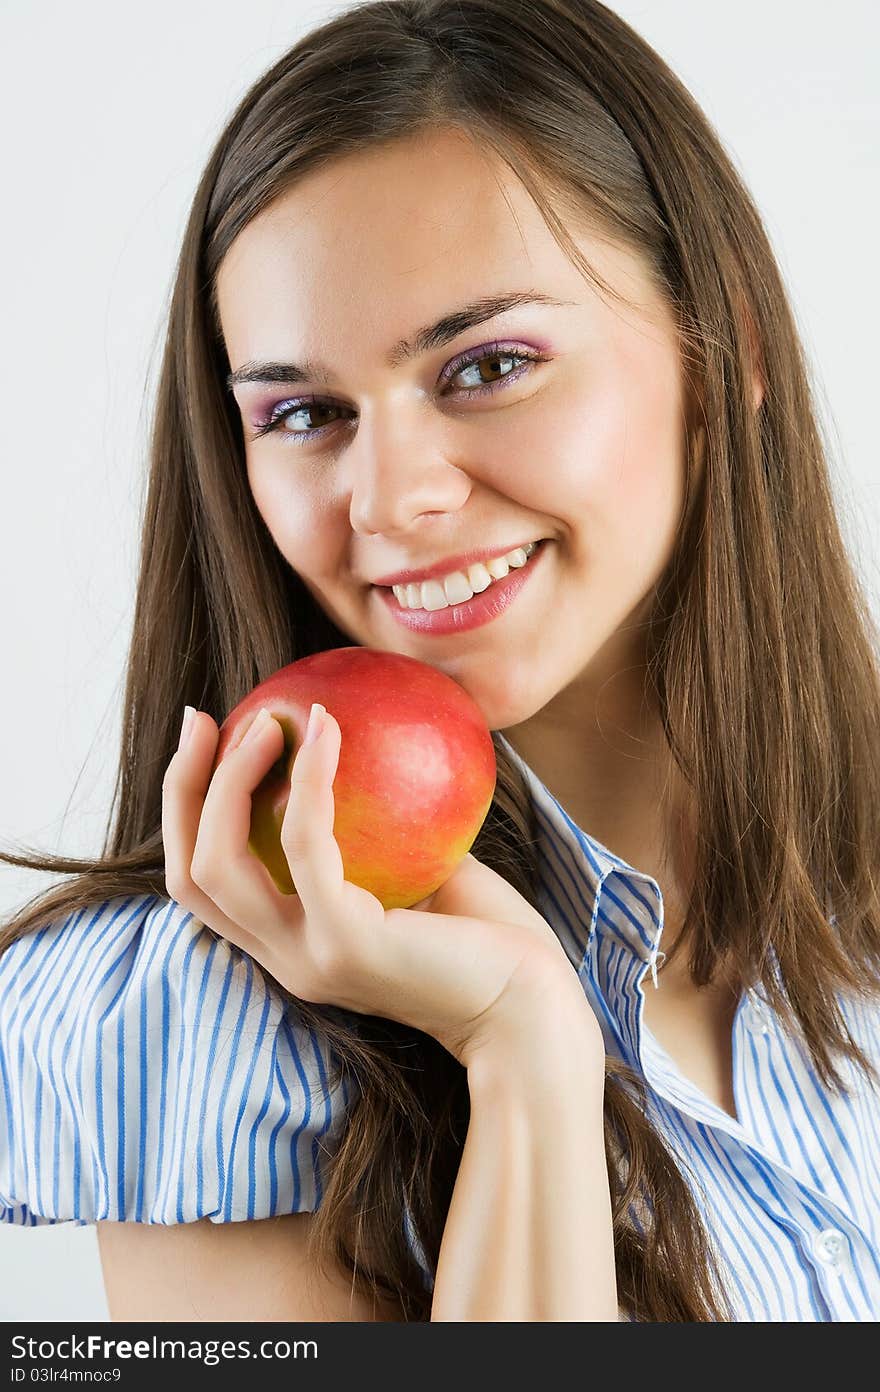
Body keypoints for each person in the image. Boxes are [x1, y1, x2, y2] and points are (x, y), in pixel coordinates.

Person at [2, 0, 879, 1324]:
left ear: (730, 350)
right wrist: (521, 1048)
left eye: (489, 365)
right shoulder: (201, 1013)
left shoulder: (852, 934)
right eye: (303, 412)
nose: (392, 495)